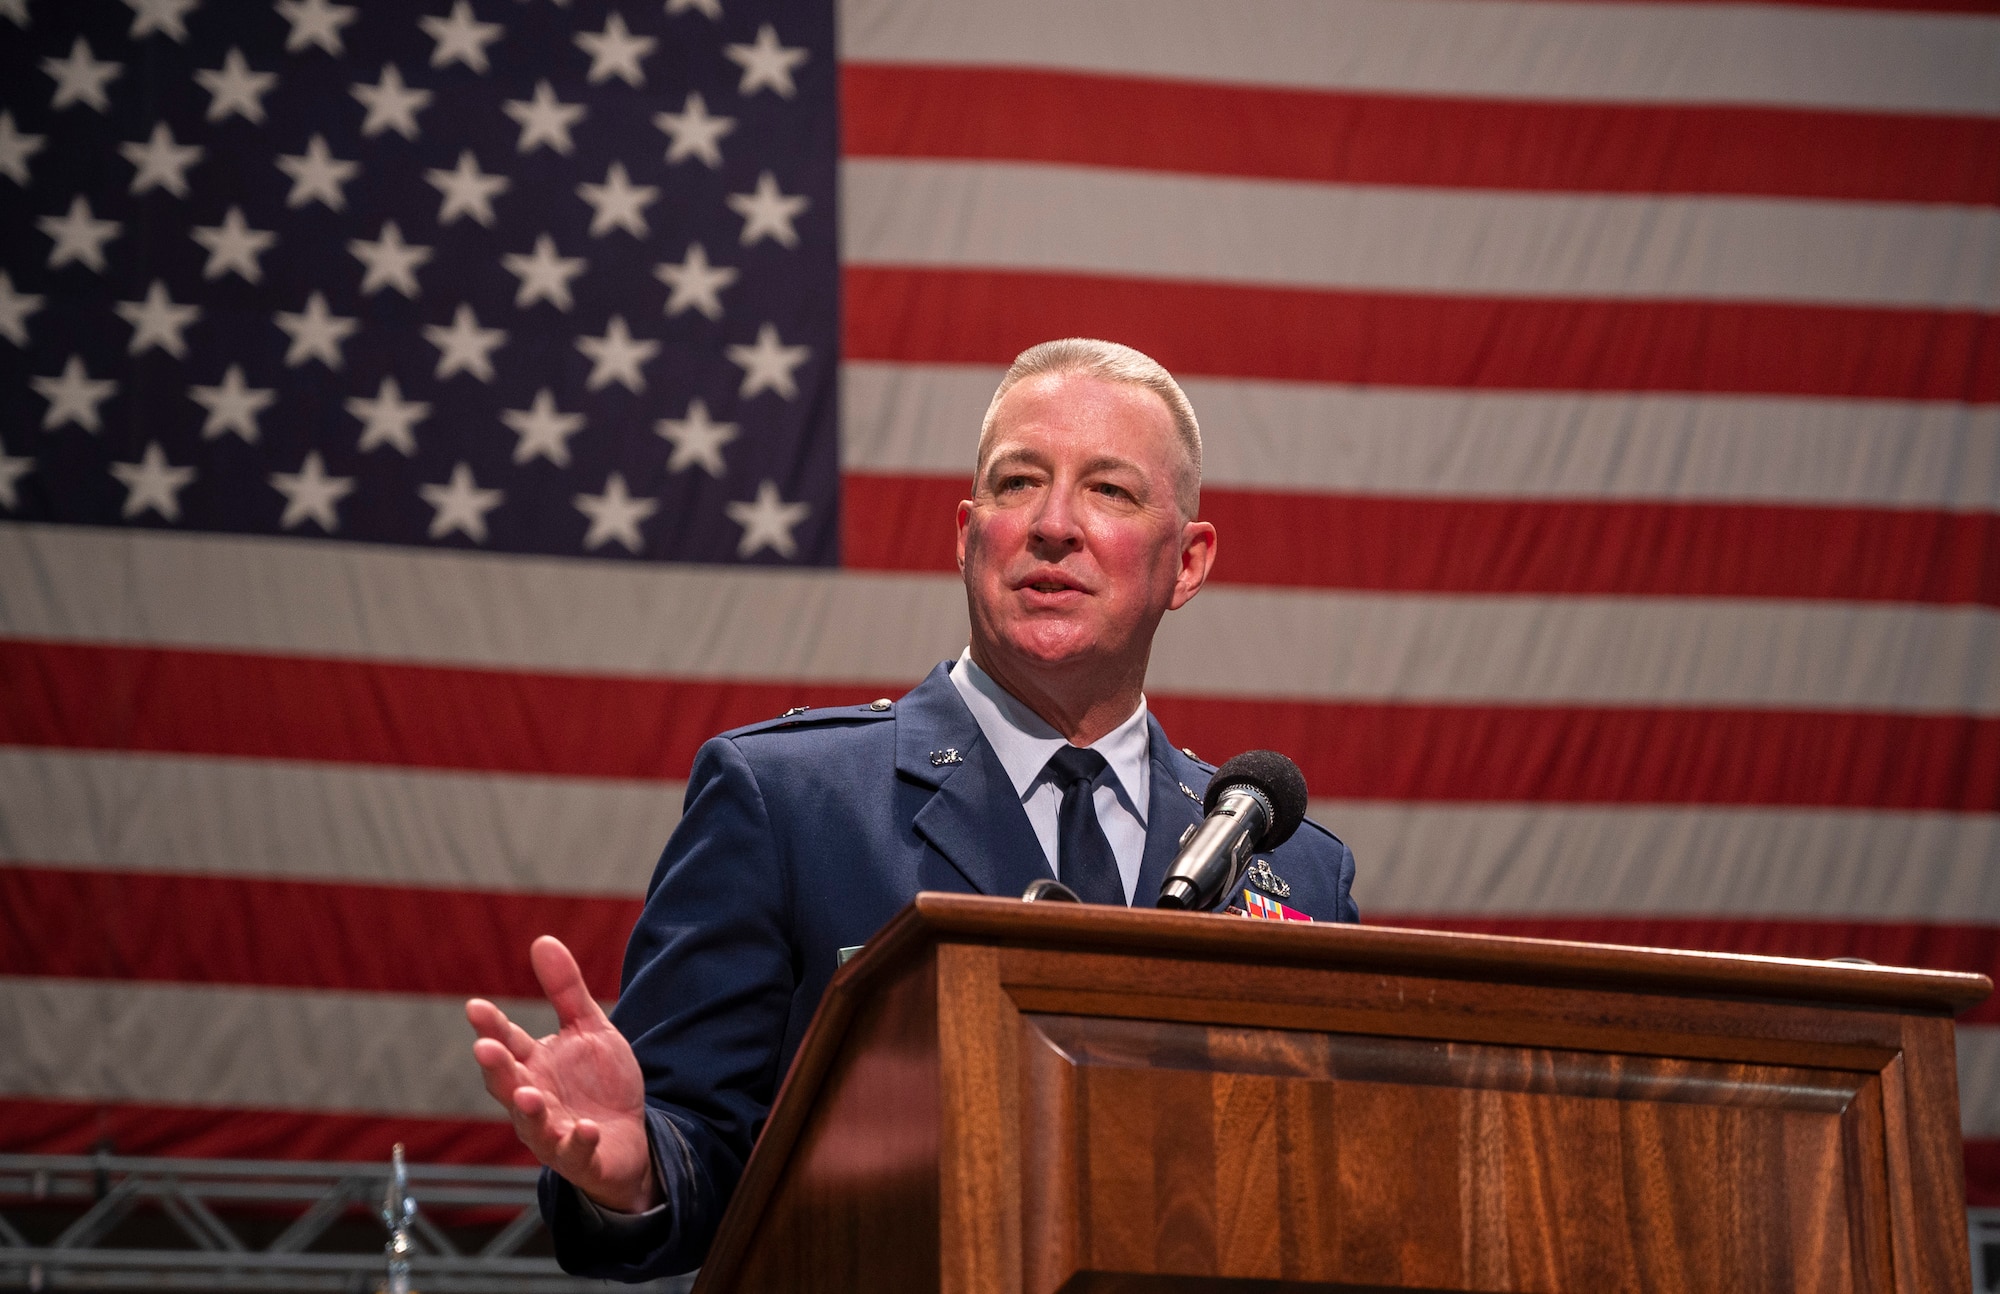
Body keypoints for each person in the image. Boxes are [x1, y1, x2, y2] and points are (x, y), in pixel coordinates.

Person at [465, 339, 1360, 1280]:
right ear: (968, 535)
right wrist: (639, 1167)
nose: (1054, 524)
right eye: (1019, 484)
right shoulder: (789, 802)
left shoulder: (1294, 870)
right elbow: (700, 1148)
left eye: (1110, 491)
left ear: (1188, 562)